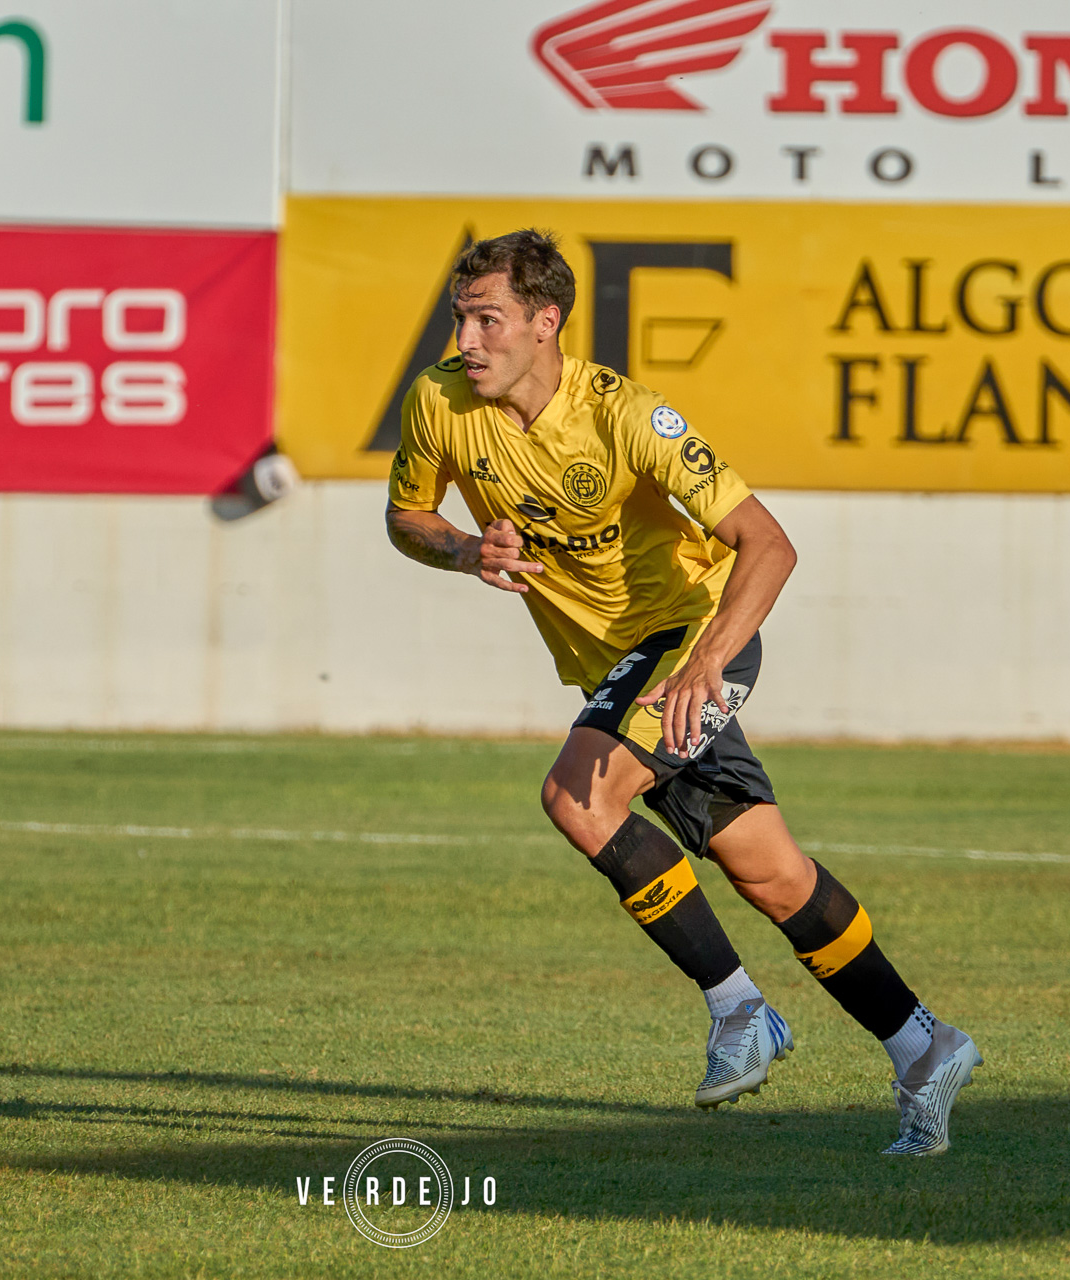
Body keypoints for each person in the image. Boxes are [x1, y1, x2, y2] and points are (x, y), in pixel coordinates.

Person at [384, 228, 981, 1155]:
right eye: (461, 318)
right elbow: (405, 516)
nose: (466, 339)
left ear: (545, 322)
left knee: (578, 797)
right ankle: (923, 1045)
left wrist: (708, 661)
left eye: (487, 319)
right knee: (772, 875)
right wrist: (464, 549)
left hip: (694, 642)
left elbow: (769, 544)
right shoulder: (439, 401)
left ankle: (740, 1009)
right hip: (619, 671)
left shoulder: (626, 416)